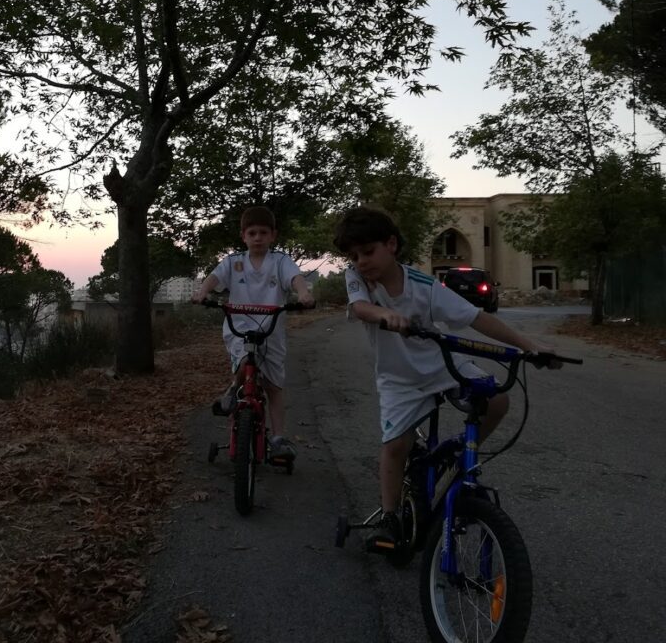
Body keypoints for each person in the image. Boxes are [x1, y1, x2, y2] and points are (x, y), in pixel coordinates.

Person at [334, 205, 555, 551]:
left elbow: (475, 318)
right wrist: (386, 314)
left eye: (368, 251)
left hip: (444, 366)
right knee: (395, 447)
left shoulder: (424, 285)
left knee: (498, 400)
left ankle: (462, 452)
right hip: (399, 379)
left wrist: (529, 345)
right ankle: (390, 518)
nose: (361, 261)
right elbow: (361, 308)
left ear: (391, 244)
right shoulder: (359, 280)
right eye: (354, 255)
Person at [191, 206, 314, 460]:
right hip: (240, 326)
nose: (258, 237)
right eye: (252, 233)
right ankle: (233, 391)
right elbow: (214, 278)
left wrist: (303, 293)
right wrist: (203, 292)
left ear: (273, 235)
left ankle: (278, 437)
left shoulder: (280, 261)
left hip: (271, 330)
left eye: (263, 233)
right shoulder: (233, 262)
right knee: (243, 363)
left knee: (273, 386)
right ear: (243, 236)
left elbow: (295, 279)